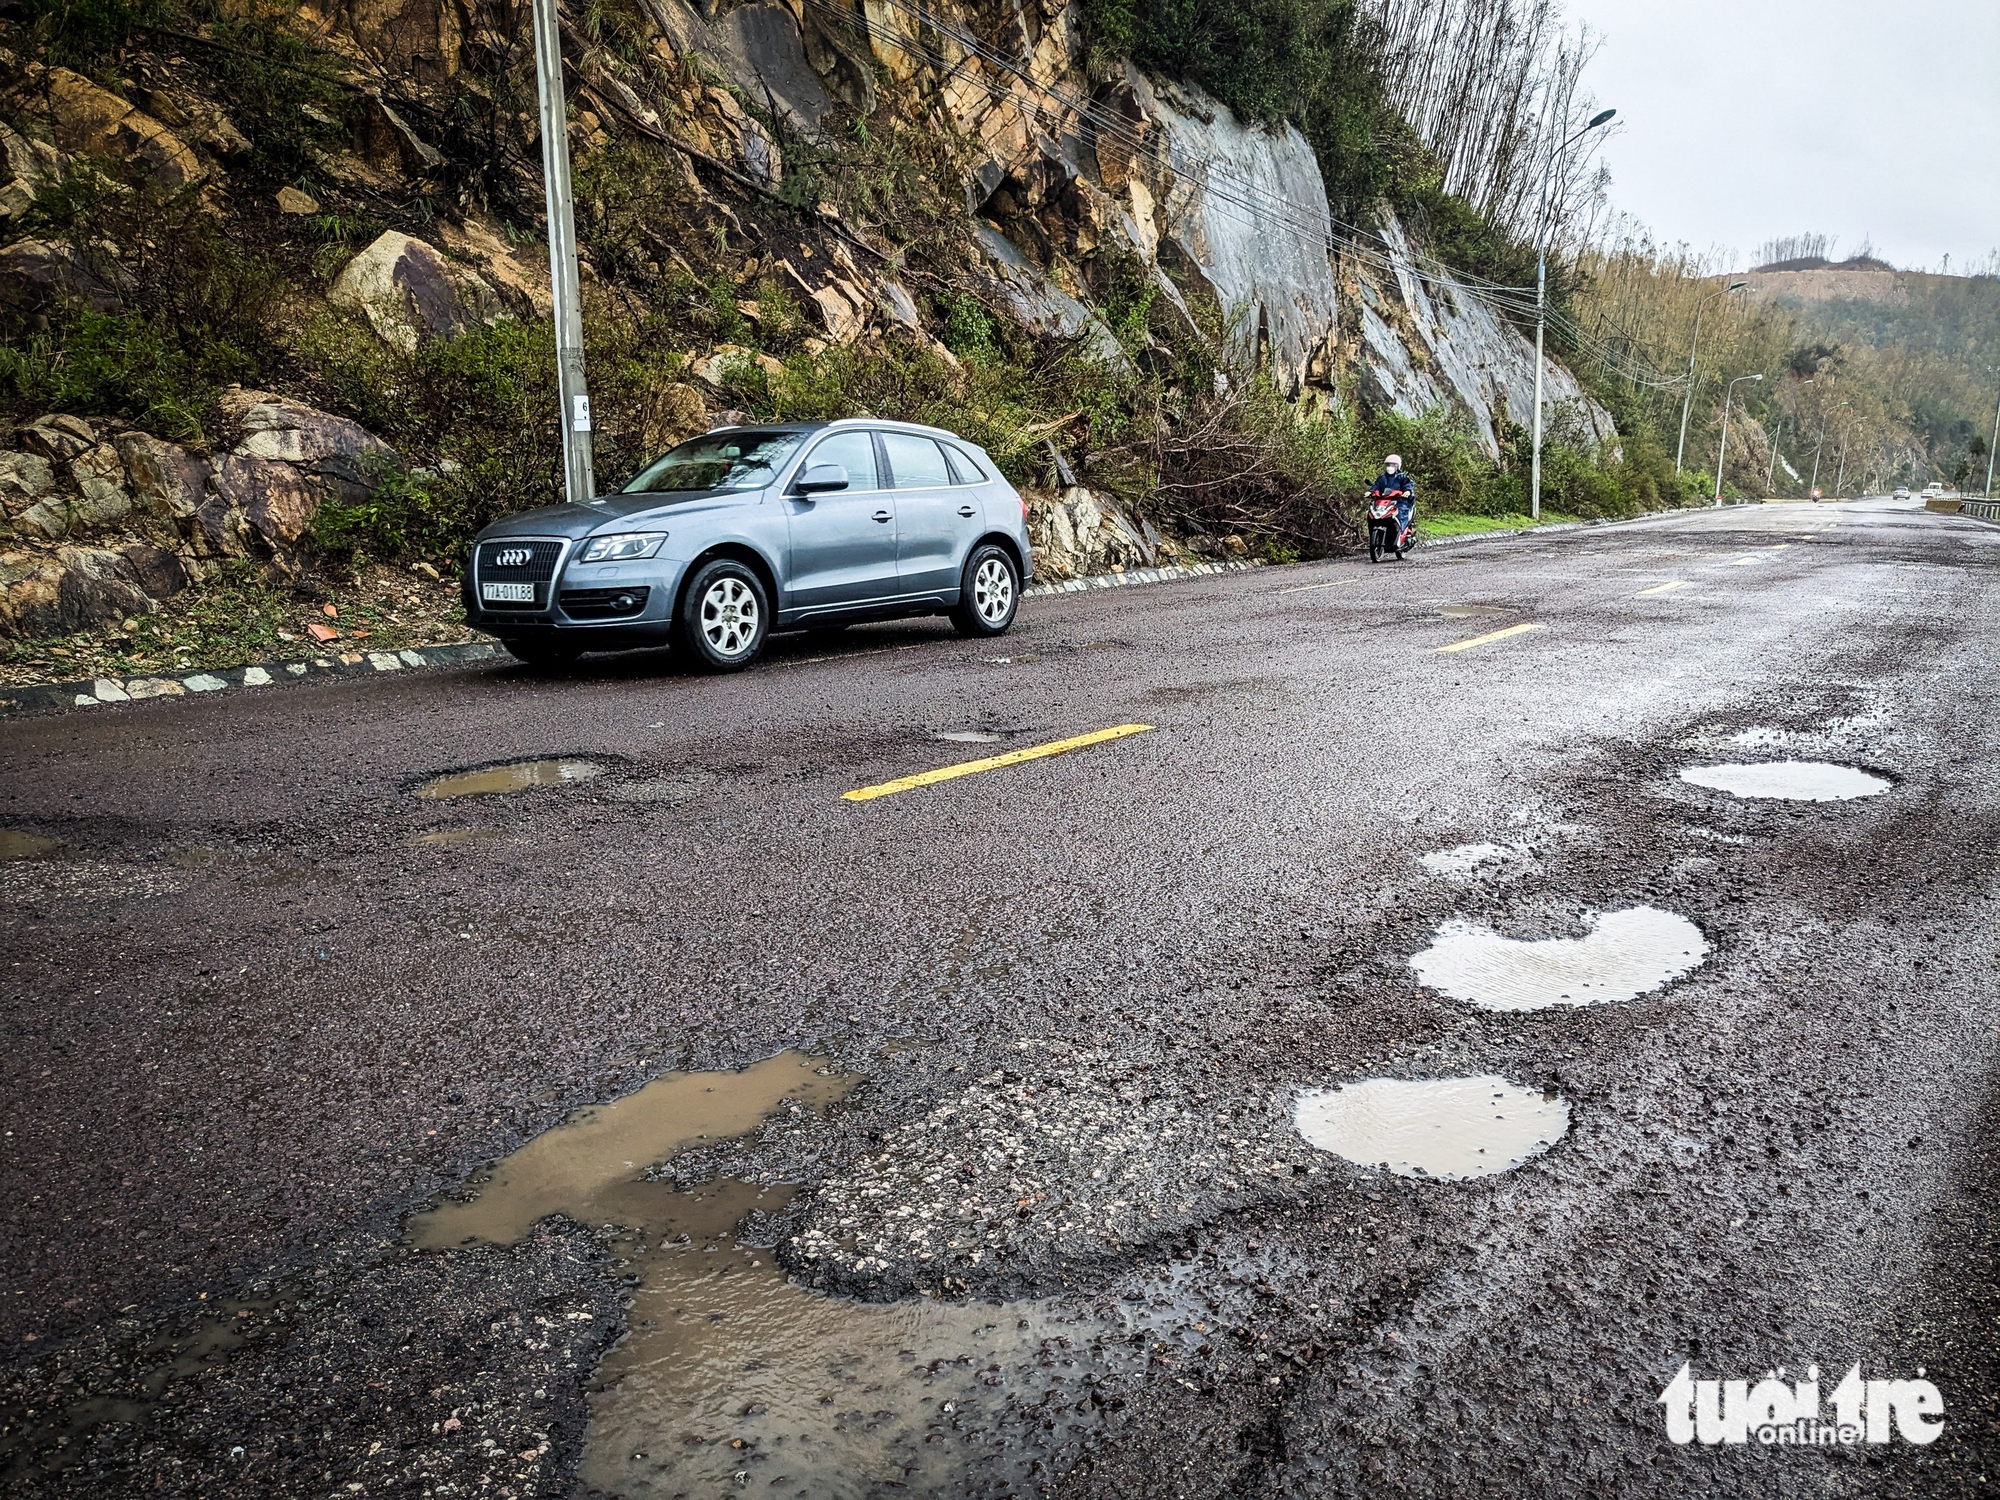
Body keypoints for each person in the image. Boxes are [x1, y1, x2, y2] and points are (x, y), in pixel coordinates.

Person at [1371, 454, 1415, 549]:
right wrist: (1370, 492)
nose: (1390, 467)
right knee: (1372, 515)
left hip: (1400, 502)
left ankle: (1401, 534)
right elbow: (1376, 486)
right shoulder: (1382, 478)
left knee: (1399, 514)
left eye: (1392, 465)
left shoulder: (1402, 477)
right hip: (1385, 502)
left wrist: (1407, 492)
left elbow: (1409, 485)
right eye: (1388, 465)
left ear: (1397, 466)